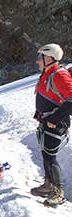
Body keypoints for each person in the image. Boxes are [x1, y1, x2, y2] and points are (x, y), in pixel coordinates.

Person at [31, 43, 72, 207]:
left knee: (51, 157)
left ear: (49, 58)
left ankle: (58, 192)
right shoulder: (48, 73)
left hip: (56, 123)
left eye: (40, 58)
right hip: (47, 122)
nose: (37, 61)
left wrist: (54, 118)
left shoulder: (59, 75)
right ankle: (48, 185)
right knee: (46, 154)